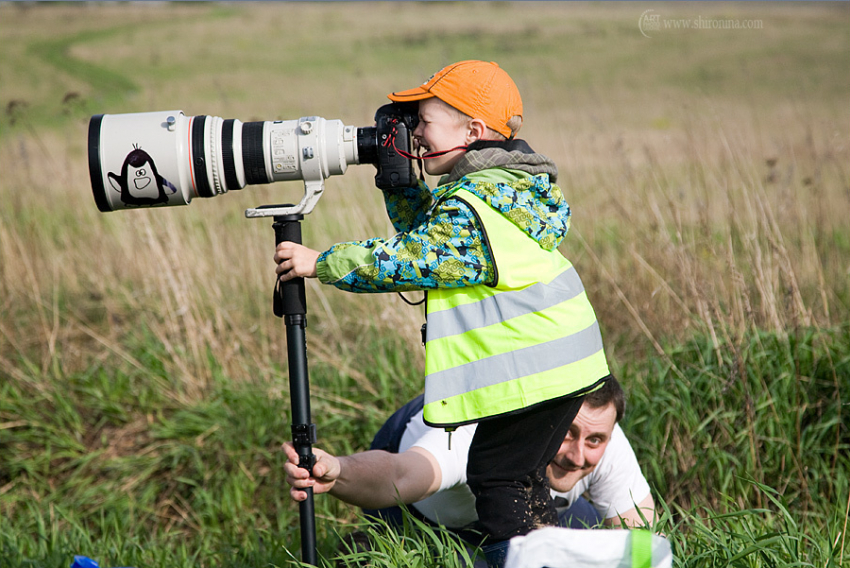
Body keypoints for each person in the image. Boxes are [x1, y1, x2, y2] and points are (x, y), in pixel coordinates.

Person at [275, 60, 611, 566]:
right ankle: (542, 551)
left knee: (497, 479)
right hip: (559, 367)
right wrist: (399, 182)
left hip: (544, 372)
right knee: (515, 481)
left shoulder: (476, 204)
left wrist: (321, 263)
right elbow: (431, 239)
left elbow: (416, 259)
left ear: (472, 131)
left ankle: (528, 559)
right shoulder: (499, 189)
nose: (416, 133)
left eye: (425, 122)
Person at [283, 377, 655, 553]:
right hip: (416, 496)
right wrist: (339, 471)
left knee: (591, 539)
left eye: (594, 440)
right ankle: (367, 545)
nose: (578, 456)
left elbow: (641, 541)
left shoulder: (603, 436)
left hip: (504, 512)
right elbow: (400, 473)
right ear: (547, 418)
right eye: (567, 433)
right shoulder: (478, 438)